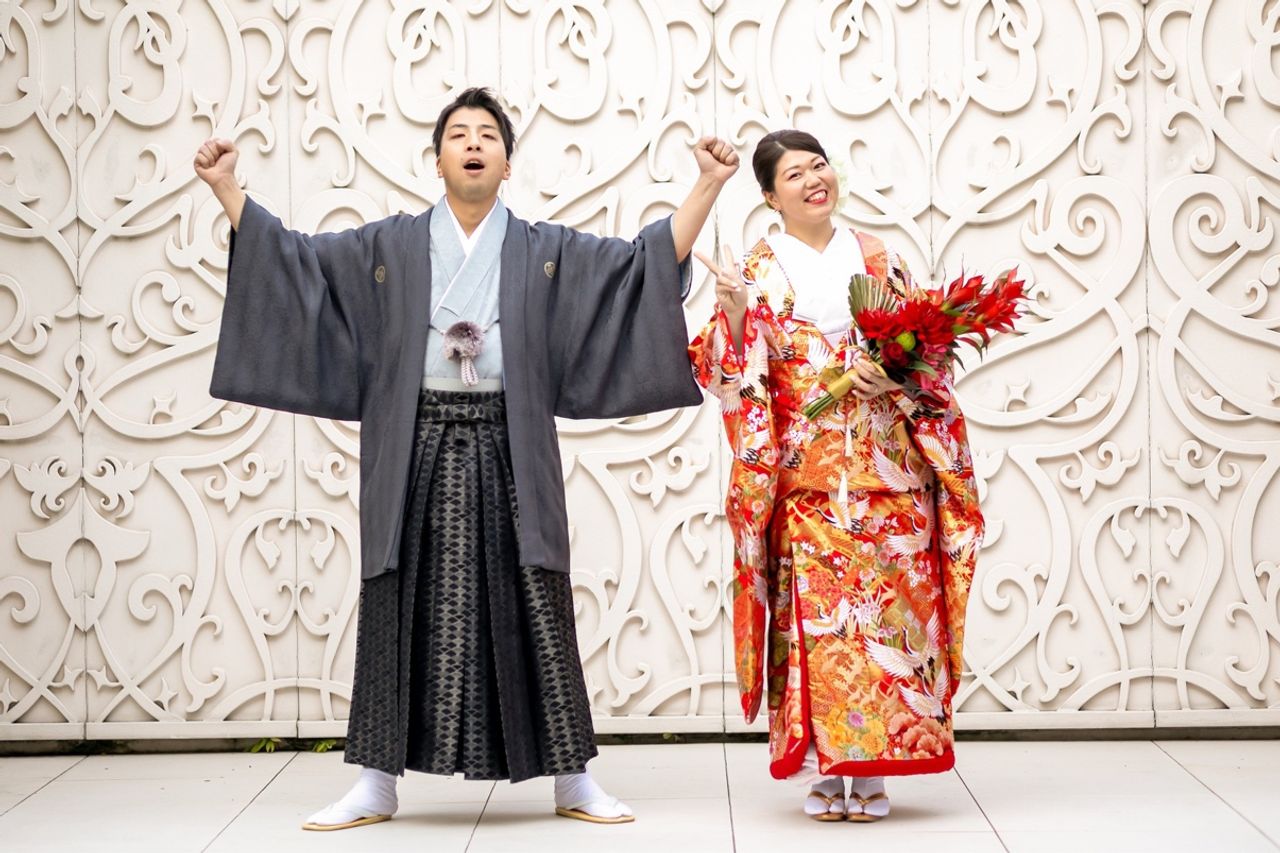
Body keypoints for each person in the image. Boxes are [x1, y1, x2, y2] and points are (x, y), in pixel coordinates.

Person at [193, 87, 739, 831]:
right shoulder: (387, 247)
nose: (473, 143)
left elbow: (638, 266)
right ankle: (376, 782)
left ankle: (573, 777)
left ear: (507, 164)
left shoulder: (546, 251)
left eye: (488, 135)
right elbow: (296, 266)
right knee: (398, 598)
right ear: (438, 159)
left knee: (536, 598)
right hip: (413, 441)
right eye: (458, 133)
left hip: (512, 440)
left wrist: (707, 184)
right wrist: (228, 188)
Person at [689, 129, 984, 822]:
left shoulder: (882, 259)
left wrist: (898, 377)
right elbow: (723, 372)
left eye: (818, 165)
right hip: (809, 481)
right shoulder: (754, 270)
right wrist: (735, 313)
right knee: (820, 628)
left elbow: (931, 359)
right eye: (794, 174)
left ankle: (877, 769)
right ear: (771, 196)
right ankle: (826, 766)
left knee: (894, 623)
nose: (813, 180)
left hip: (891, 479)